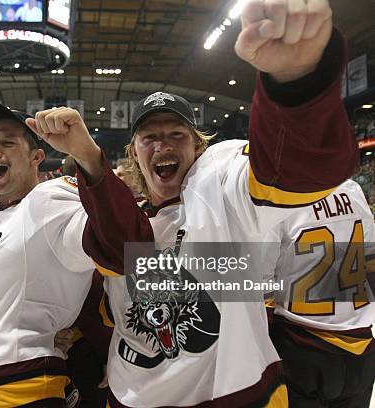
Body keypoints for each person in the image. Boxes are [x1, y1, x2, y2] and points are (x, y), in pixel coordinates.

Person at [25, 0, 358, 406]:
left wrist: (296, 83)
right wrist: (90, 160)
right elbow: (124, 253)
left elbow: (291, 172)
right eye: (149, 137)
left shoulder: (222, 186)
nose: (163, 144)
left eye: (177, 134)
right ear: (134, 154)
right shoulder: (117, 212)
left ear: (200, 147)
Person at [0, 103, 95, 407]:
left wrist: (92, 335)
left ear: (36, 157)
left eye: (8, 142)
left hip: (19, 390)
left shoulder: (53, 201)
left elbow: (121, 250)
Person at [265, 179, 374, 407]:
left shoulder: (276, 200)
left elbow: (261, 287)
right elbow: (370, 260)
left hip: (301, 348)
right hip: (361, 348)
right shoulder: (351, 188)